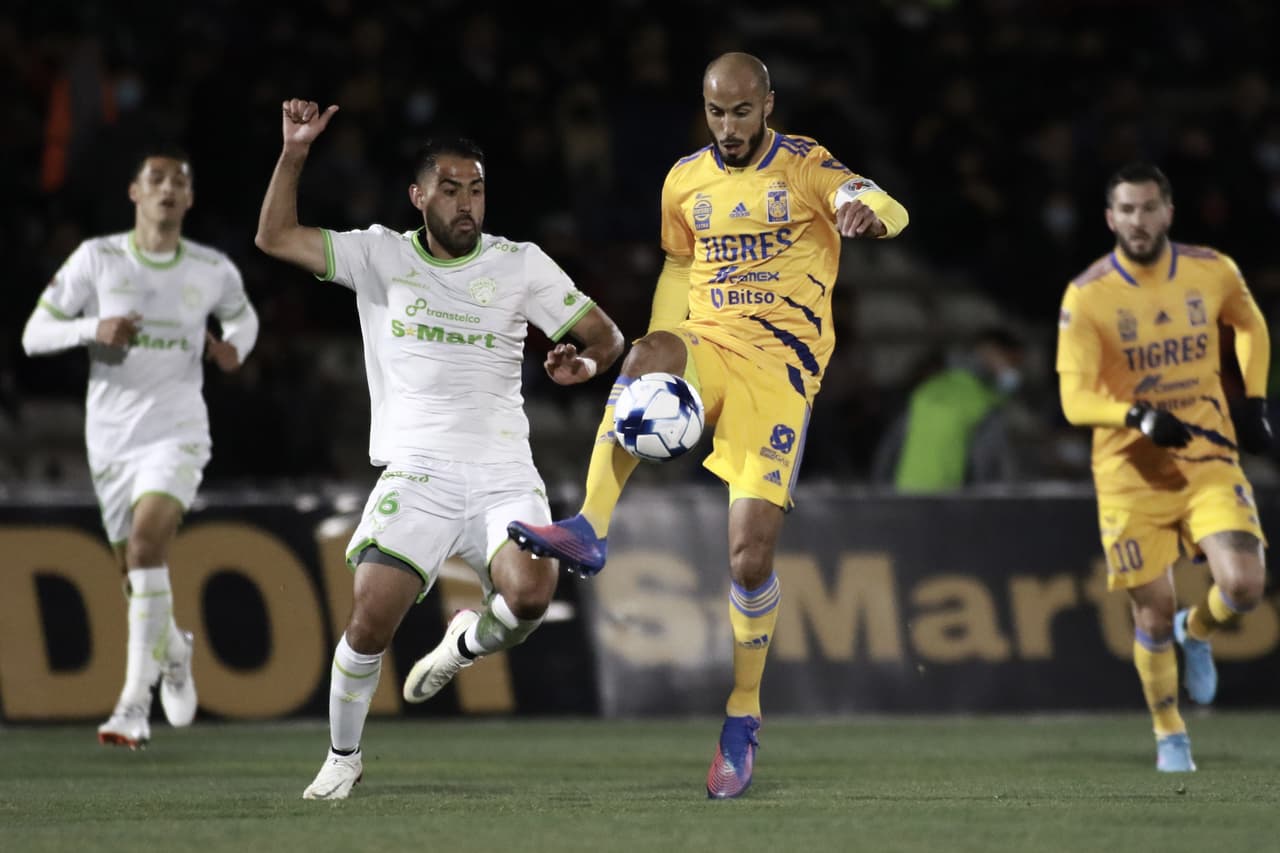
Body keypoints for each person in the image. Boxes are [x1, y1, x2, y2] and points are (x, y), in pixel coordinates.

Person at [508, 53, 909, 799]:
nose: (728, 127)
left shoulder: (804, 166)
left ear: (767, 106)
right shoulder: (684, 180)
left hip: (782, 373)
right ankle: (590, 525)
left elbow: (883, 203)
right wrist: (656, 353)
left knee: (749, 559)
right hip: (710, 345)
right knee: (647, 349)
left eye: (742, 112)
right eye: (717, 113)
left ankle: (742, 712)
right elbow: (676, 269)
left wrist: (867, 213)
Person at [254, 99, 624, 801]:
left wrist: (587, 362)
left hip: (503, 469)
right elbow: (274, 236)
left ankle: (464, 643)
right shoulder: (379, 254)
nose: (466, 204)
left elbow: (606, 335)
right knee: (370, 610)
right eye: (450, 189)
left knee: (531, 596)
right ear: (419, 196)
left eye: (476, 189)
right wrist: (295, 152)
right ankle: (343, 754)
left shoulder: (520, 265)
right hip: (419, 469)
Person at [22, 149, 259, 749]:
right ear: (134, 192)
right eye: (157, 179)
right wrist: (89, 329)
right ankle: (174, 651)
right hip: (110, 441)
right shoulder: (96, 259)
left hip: (178, 432)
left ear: (190, 199)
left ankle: (132, 705)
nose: (169, 188)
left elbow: (243, 318)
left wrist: (235, 349)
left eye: (181, 180)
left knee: (149, 545)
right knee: (136, 574)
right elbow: (33, 335)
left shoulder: (210, 268)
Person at [1056, 162, 1271, 772]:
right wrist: (1137, 417)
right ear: (1109, 217)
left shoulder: (1211, 270)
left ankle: (1198, 629)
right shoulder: (1089, 296)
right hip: (1129, 477)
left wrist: (1253, 401)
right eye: (1126, 209)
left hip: (1205, 457)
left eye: (1149, 207)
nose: (1138, 220)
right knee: (1148, 613)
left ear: (1168, 212)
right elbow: (1075, 401)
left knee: (1245, 587)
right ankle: (1170, 732)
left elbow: (1249, 323)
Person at [872, 327, 1026, 491]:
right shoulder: (983, 401)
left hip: (905, 494)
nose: (1015, 371)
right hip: (948, 499)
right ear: (991, 353)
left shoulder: (927, 390)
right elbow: (987, 464)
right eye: (1012, 362)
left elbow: (890, 448)